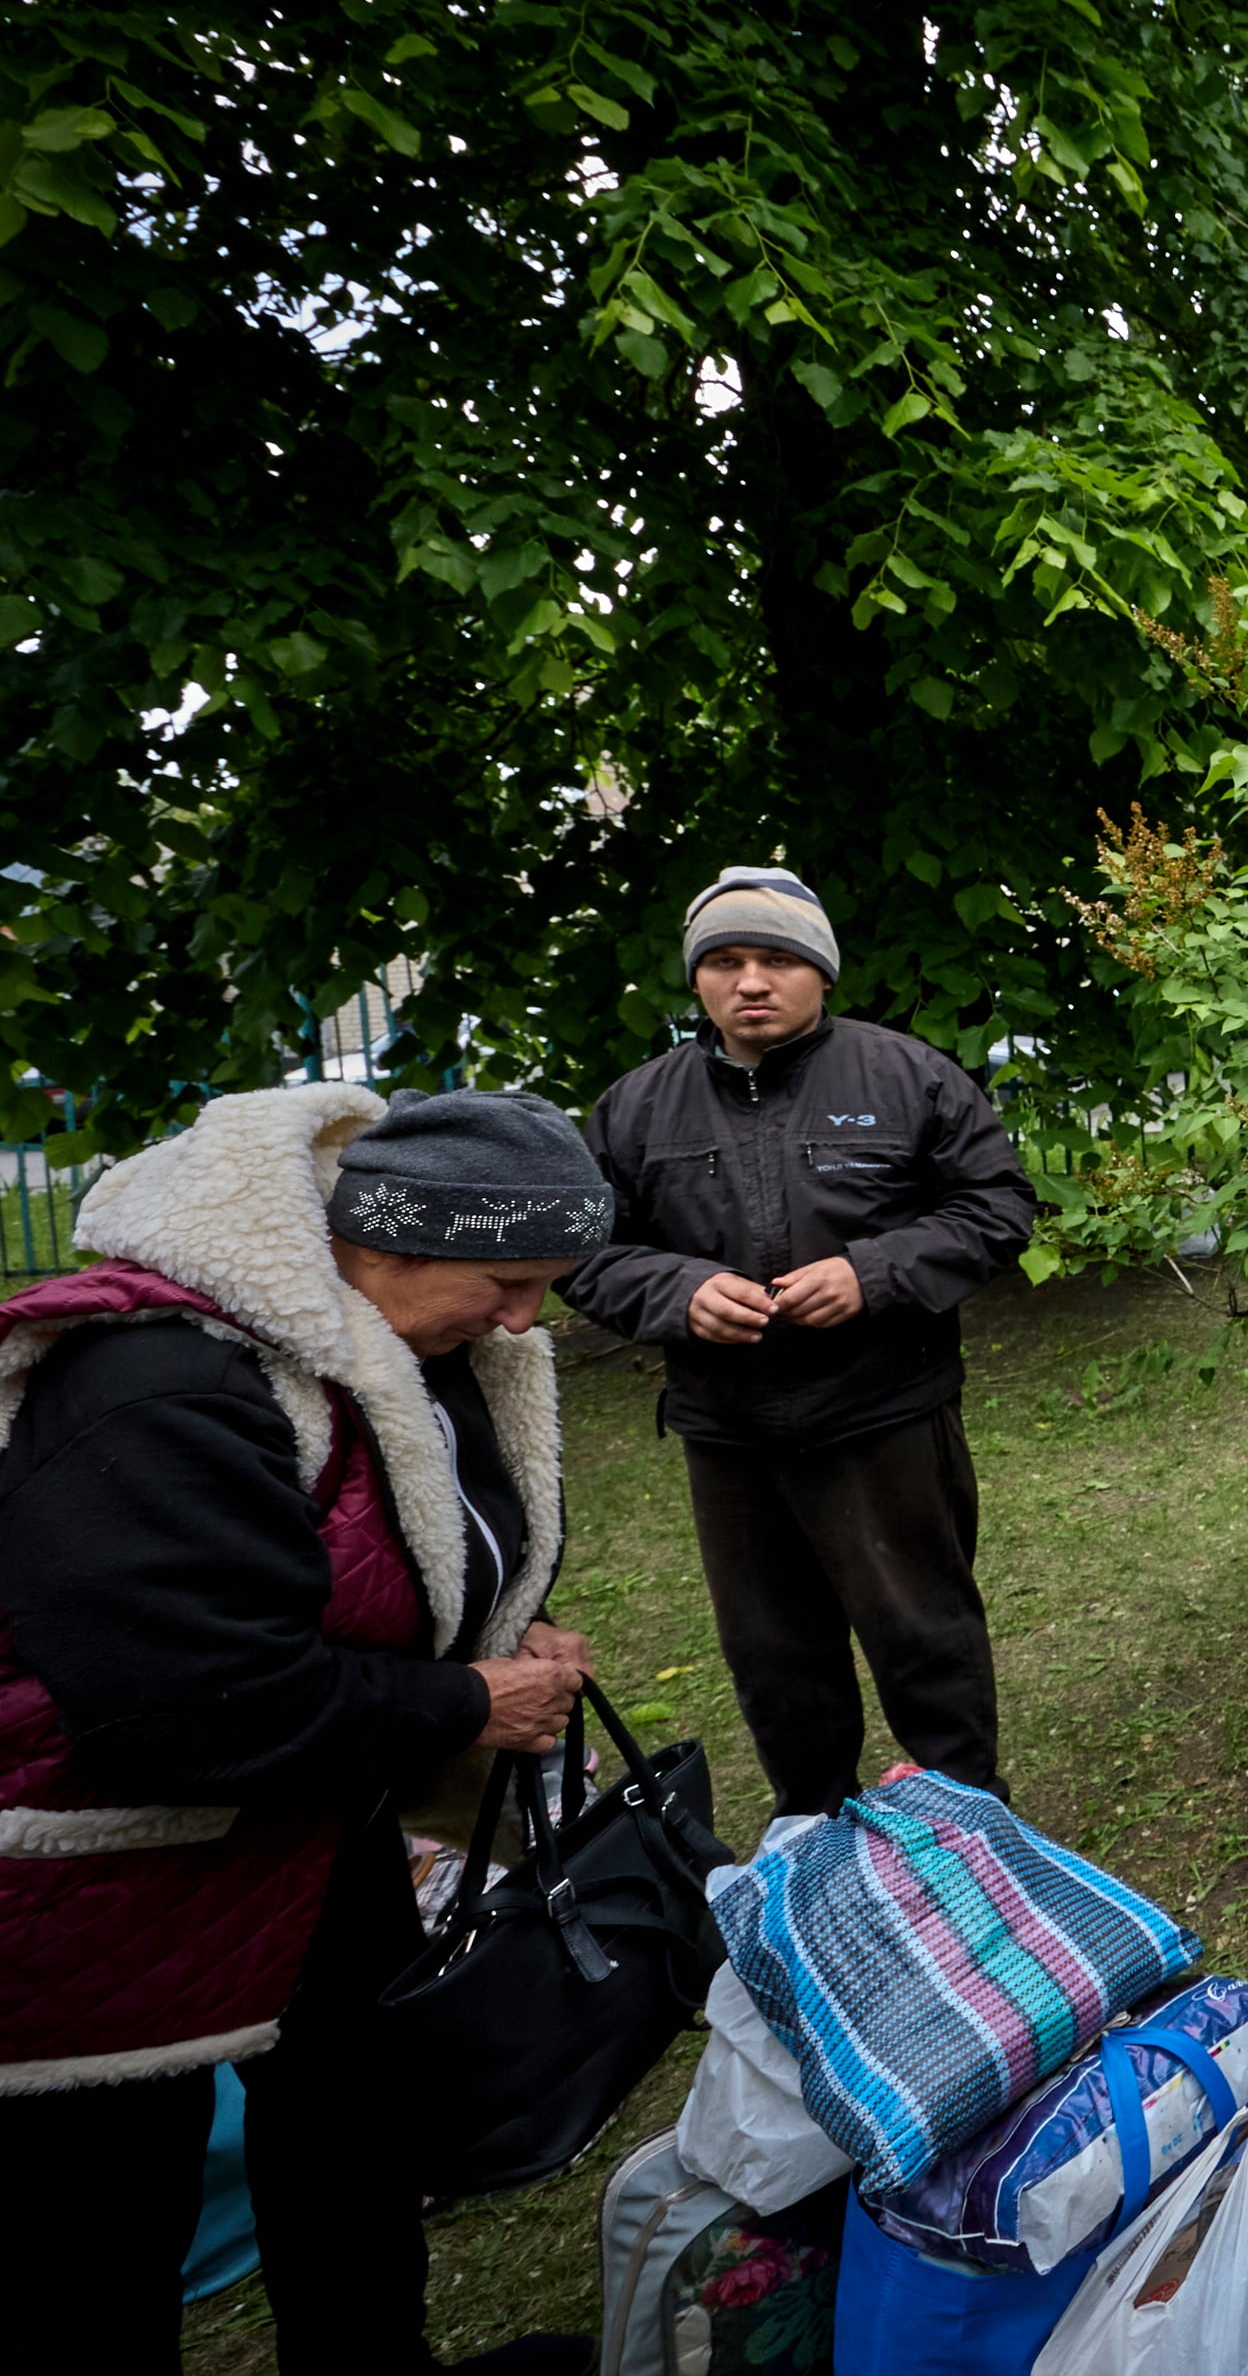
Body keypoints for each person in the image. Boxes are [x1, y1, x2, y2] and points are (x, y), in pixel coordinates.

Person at [0, 1084, 617, 2376]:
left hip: (305, 1836)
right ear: (386, 1242)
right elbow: (187, 1700)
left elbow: (400, 1544)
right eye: (507, 1280)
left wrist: (509, 1632)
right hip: (105, 1891)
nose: (527, 1317)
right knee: (105, 2234)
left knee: (352, 2147)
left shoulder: (391, 1351)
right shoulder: (156, 1377)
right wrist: (465, 1704)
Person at [564, 866, 1039, 1813]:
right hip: (729, 1433)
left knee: (924, 1639)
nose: (750, 980)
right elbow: (581, 1249)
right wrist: (678, 1289)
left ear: (820, 972)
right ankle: (817, 1837)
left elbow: (997, 1206)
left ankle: (970, 1829)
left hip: (882, 1415)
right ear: (697, 979)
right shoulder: (636, 1107)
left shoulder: (907, 1076)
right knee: (776, 1659)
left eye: (776, 958)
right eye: (726, 960)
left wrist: (872, 1272)